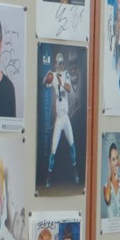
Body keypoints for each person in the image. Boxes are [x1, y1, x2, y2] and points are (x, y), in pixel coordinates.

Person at [44, 52, 80, 188]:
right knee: (53, 149)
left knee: (72, 144)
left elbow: (69, 89)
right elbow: (44, 85)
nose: (60, 65)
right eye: (58, 63)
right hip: (59, 118)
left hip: (66, 117)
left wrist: (61, 82)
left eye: (61, 63)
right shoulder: (52, 75)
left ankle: (75, 170)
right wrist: (47, 79)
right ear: (55, 63)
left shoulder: (65, 74)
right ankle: (49, 176)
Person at [102, 142, 120, 220]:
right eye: (113, 159)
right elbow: (107, 199)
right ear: (109, 161)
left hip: (119, 228)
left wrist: (118, 162)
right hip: (109, 228)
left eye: (117, 158)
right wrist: (109, 176)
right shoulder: (106, 186)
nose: (116, 161)